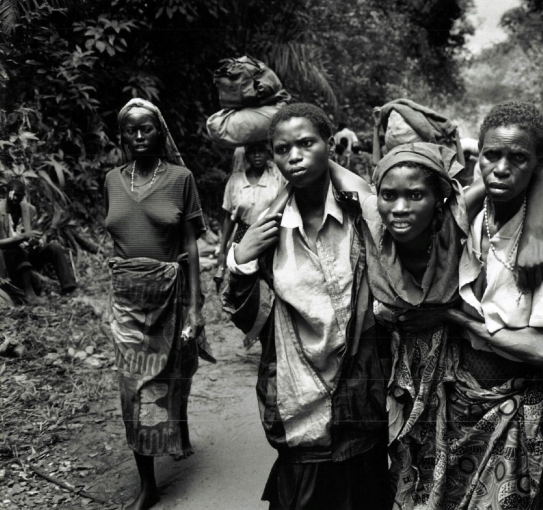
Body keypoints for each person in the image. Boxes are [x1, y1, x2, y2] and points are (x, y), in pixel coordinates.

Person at [327, 137, 543, 508]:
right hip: (399, 376)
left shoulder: (455, 219)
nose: (399, 208)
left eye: (415, 196)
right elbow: (321, 163)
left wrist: (535, 231)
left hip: (457, 377)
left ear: (439, 201)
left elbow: (538, 166)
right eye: (389, 196)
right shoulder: (371, 215)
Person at [400, 101, 543, 509]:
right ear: (474, 156)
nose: (501, 168)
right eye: (490, 155)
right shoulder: (466, 214)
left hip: (522, 400)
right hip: (459, 398)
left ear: (538, 164)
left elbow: (541, 350)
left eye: (518, 159)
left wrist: (454, 318)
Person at [225, 103, 392, 510]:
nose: (294, 156)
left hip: (362, 392)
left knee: (364, 494)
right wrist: (241, 259)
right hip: (300, 396)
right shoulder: (267, 229)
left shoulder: (361, 214)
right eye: (283, 150)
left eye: (306, 144)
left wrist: (344, 176)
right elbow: (246, 316)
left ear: (329, 145)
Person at [104, 98, 214, 510]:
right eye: (130, 129)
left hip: (170, 293)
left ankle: (176, 431)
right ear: (123, 135)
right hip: (128, 300)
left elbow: (189, 243)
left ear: (159, 132)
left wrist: (196, 307)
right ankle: (147, 483)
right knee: (134, 387)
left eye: (146, 128)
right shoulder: (113, 180)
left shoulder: (180, 178)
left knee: (173, 371)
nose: (138, 136)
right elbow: (116, 238)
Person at [215, 141, 286, 290]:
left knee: (270, 282)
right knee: (243, 282)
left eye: (261, 150)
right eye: (253, 151)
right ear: (246, 156)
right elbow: (229, 217)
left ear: (268, 154)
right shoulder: (236, 181)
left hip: (270, 235)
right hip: (243, 236)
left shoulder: (276, 179)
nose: (257, 155)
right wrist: (222, 249)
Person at [0, 179, 77, 303]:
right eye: (12, 195)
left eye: (19, 196)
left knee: (54, 248)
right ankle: (30, 295)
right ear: (6, 193)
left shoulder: (28, 209)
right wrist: (21, 237)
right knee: (17, 250)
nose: (15, 199)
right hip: (7, 259)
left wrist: (34, 241)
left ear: (23, 196)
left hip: (27, 255)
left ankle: (68, 288)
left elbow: (30, 233)